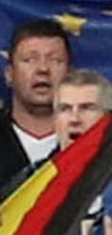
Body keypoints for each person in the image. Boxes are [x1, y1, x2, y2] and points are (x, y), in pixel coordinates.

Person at [0, 20, 69, 187]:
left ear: (69, 74)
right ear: (9, 74)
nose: (43, 69)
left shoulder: (94, 142)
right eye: (30, 60)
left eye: (55, 60)